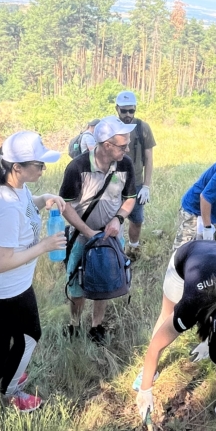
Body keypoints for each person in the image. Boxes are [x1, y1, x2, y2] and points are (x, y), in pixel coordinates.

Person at [0, 131, 67, 412]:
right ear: (17, 166)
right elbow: (0, 262)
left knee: (3, 328)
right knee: (30, 335)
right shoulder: (4, 206)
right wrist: (44, 246)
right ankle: (11, 391)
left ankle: (4, 372)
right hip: (7, 286)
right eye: (39, 164)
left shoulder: (16, 187)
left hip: (0, 284)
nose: (43, 169)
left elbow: (26, 205)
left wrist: (44, 198)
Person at [135, 240, 216, 431]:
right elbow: (156, 346)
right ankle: (149, 373)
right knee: (166, 317)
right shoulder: (190, 304)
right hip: (187, 258)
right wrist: (145, 390)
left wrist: (212, 341)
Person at [59, 116, 137, 344]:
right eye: (123, 145)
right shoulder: (77, 167)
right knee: (76, 285)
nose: (127, 149)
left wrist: (118, 220)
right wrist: (87, 232)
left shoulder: (126, 164)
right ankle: (74, 324)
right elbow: (65, 206)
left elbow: (130, 198)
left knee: (104, 281)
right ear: (107, 145)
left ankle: (96, 327)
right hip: (81, 236)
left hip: (111, 236)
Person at [114, 90, 156, 260]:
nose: (128, 114)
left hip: (135, 183)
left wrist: (146, 186)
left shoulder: (142, 127)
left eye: (131, 110)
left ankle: (133, 250)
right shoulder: (111, 127)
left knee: (137, 219)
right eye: (124, 110)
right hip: (113, 182)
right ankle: (115, 252)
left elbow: (149, 157)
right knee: (113, 218)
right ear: (117, 109)